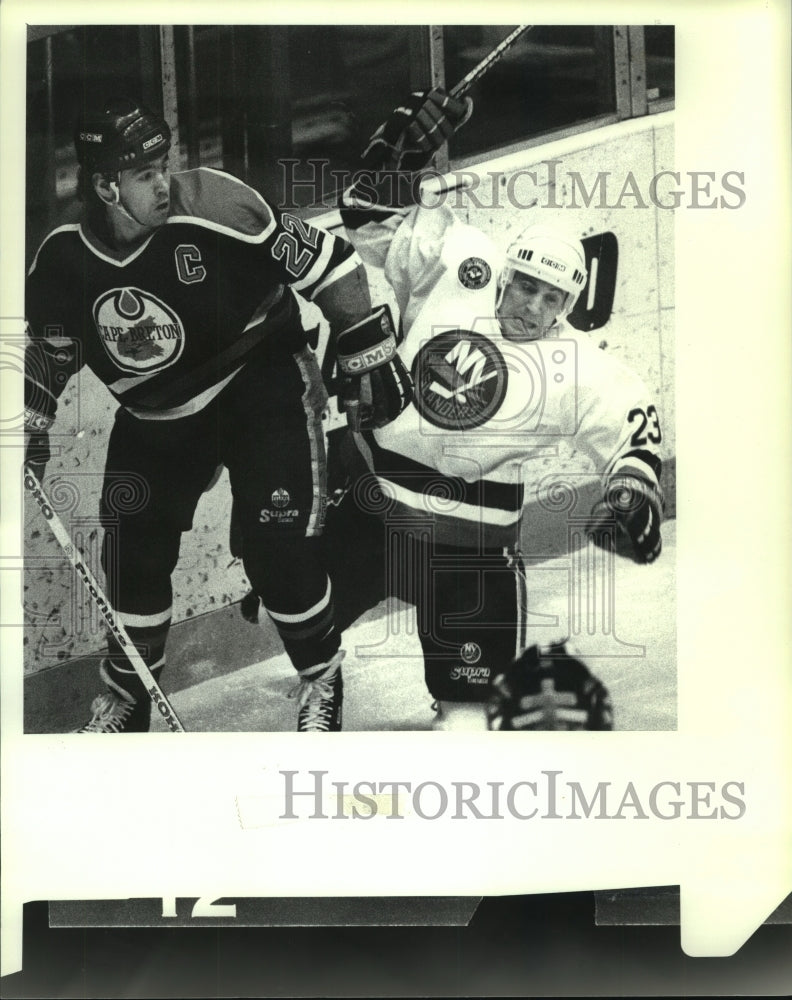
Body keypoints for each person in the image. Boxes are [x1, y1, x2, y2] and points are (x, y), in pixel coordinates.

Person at [23, 97, 411, 733]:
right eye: (145, 174)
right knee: (132, 549)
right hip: (157, 413)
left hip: (262, 384)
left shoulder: (217, 205)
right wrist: (31, 421)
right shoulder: (64, 258)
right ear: (104, 186)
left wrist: (366, 348)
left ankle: (321, 678)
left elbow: (331, 263)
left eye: (164, 165)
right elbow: (53, 349)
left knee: (277, 548)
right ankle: (126, 697)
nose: (163, 182)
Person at [327, 88, 665, 730]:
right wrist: (401, 149)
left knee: (467, 721)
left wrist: (631, 484)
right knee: (298, 623)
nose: (534, 307)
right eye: (528, 287)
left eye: (553, 299)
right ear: (505, 277)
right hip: (368, 506)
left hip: (468, 547)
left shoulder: (579, 365)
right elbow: (367, 218)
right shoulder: (462, 265)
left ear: (568, 308)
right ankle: (321, 685)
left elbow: (632, 420)